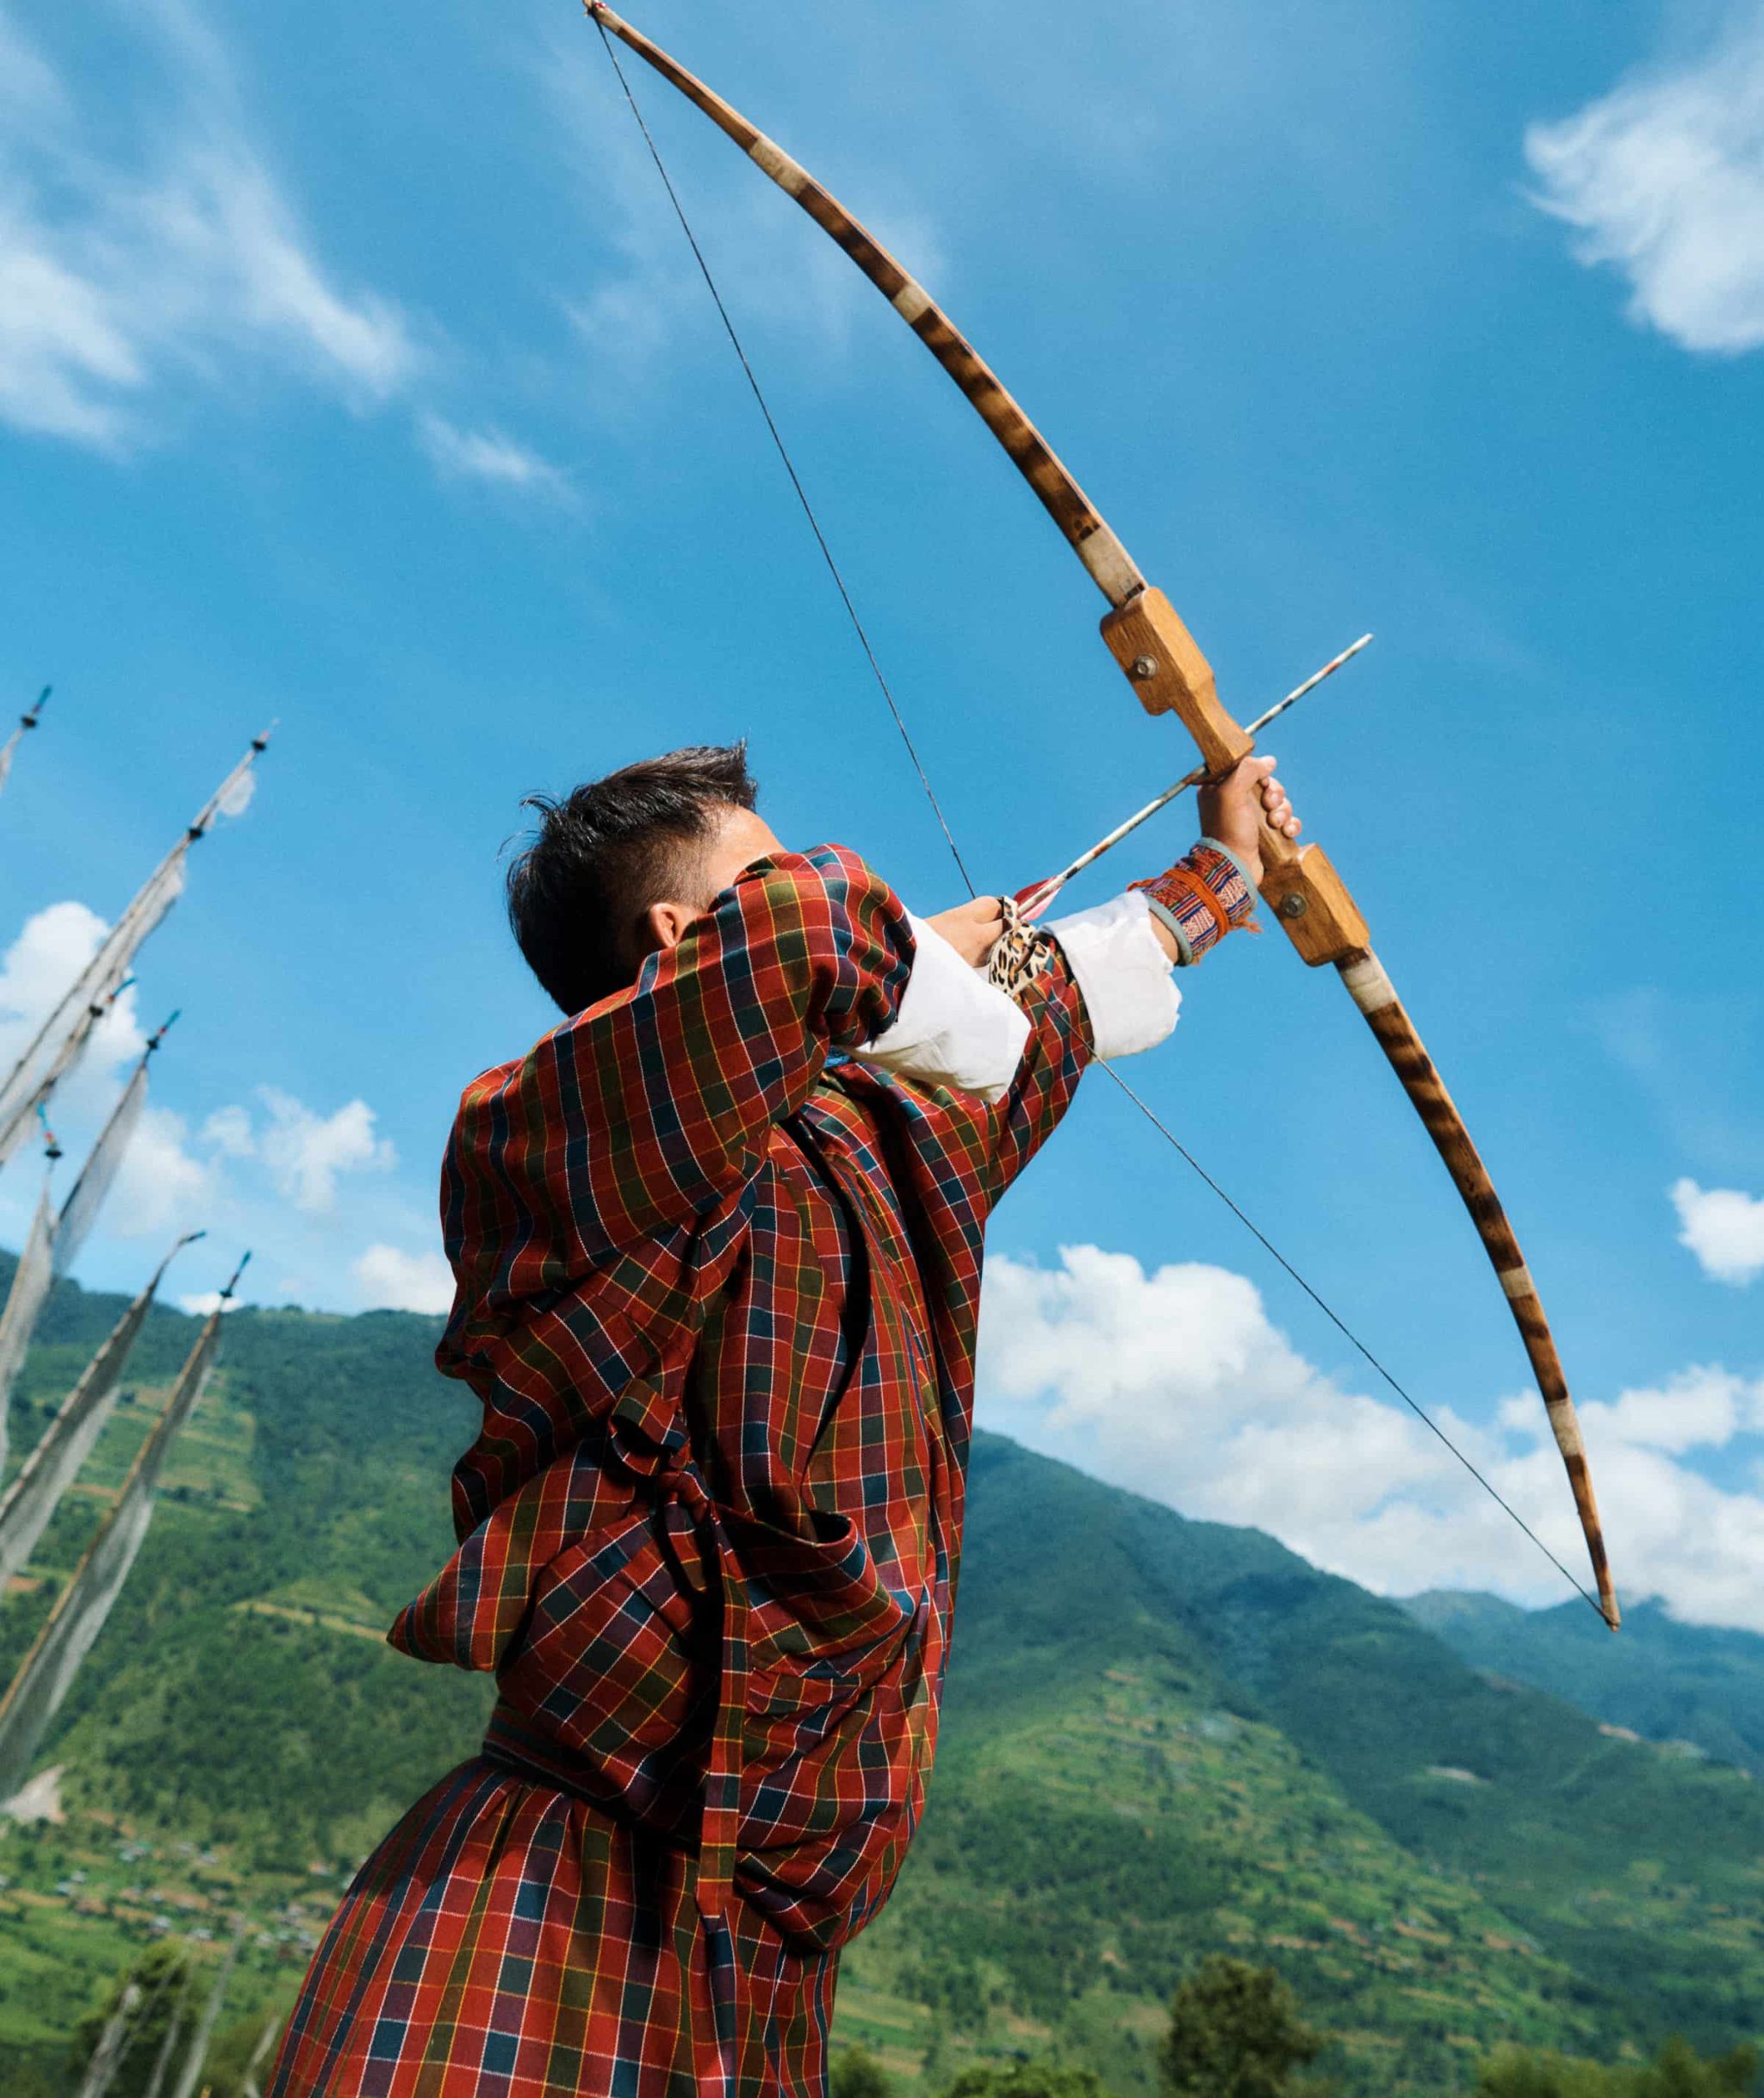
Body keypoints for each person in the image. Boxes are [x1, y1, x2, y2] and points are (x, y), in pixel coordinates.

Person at [268, 742, 1301, 2098]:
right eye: (761, 868)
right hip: (548, 1888)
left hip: (767, 1955)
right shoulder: (551, 1138)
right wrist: (921, 963)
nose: (815, 884)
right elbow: (816, 928)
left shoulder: (876, 1140)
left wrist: (1223, 868)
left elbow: (1053, 1008)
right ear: (679, 939)